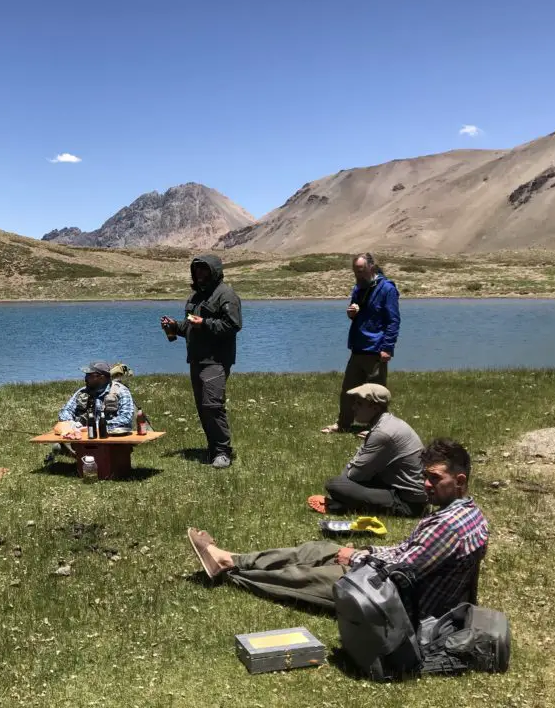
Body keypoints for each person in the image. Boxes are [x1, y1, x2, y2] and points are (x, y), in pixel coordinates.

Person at [186, 438, 488, 620]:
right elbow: (409, 552)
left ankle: (231, 571)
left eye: (435, 478)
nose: (426, 484)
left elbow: (401, 572)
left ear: (459, 481)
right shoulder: (470, 514)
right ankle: (232, 558)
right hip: (398, 584)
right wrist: (366, 550)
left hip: (397, 602)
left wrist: (356, 559)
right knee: (317, 549)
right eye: (426, 476)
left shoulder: (447, 526)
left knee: (305, 577)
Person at [160, 255, 242, 469]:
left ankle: (223, 452)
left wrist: (204, 323)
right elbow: (190, 327)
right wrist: (174, 327)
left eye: (204, 270)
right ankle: (213, 447)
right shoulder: (195, 297)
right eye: (196, 270)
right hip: (196, 359)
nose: (200, 273)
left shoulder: (226, 295)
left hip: (216, 359)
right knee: (203, 407)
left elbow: (232, 326)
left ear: (214, 271)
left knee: (212, 405)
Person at [307, 383, 427, 516]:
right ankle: (345, 504)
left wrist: (366, 442)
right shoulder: (389, 423)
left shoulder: (382, 433)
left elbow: (354, 475)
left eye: (359, 404)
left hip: (408, 503)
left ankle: (343, 506)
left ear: (374, 407)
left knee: (335, 485)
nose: (353, 407)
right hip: (408, 492)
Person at [322, 252, 400, 434]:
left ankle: (376, 428)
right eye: (355, 271)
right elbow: (356, 313)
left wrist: (387, 347)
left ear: (371, 268)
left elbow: (393, 321)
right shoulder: (358, 288)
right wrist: (351, 313)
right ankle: (343, 424)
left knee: (375, 393)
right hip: (358, 346)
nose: (358, 275)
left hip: (376, 349)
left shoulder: (387, 289)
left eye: (361, 271)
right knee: (348, 389)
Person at [49, 361, 136, 460]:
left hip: (110, 437)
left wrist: (96, 427)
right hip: (84, 437)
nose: (85, 378)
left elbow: (126, 418)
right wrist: (72, 425)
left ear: (102, 377)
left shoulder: (121, 391)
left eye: (89, 375)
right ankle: (85, 457)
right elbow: (65, 412)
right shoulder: (82, 392)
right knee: (57, 446)